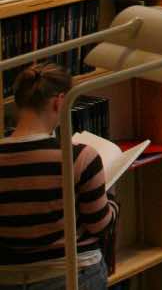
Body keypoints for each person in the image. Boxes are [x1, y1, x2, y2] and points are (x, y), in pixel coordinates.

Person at [0, 64, 115, 289]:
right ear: (60, 101)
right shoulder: (77, 156)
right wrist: (111, 199)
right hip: (71, 274)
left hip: (9, 277)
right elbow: (99, 225)